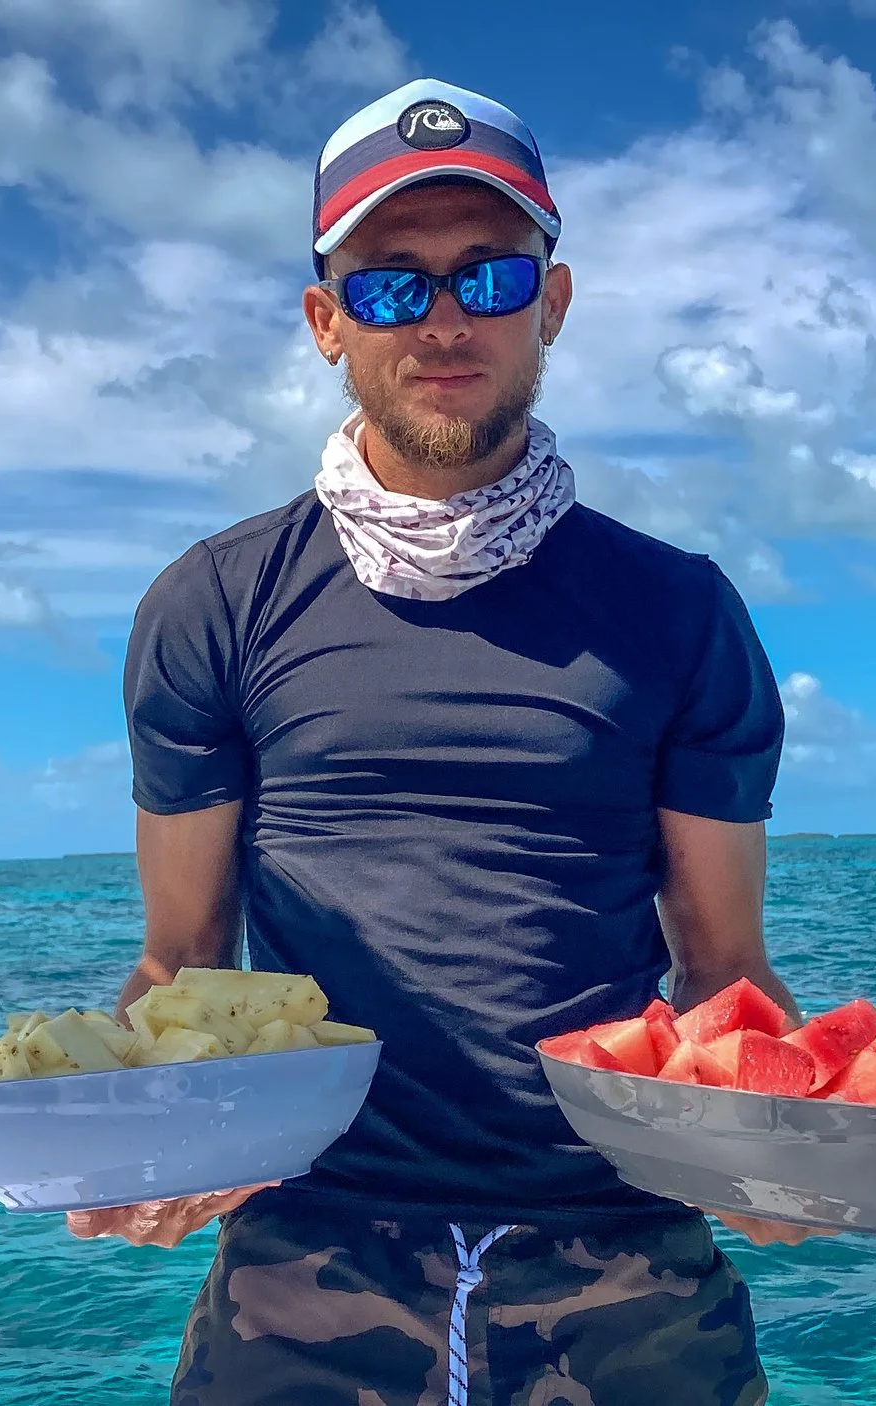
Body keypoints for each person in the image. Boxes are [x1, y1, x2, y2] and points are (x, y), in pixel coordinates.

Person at [72, 78, 813, 1406]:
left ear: (556, 301)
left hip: (624, 1248)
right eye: (390, 286)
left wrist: (787, 1142)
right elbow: (184, 961)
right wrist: (136, 1131)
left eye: (489, 273)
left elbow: (723, 968)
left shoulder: (679, 610)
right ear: (325, 322)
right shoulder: (214, 602)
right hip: (306, 1249)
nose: (446, 319)